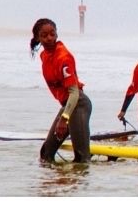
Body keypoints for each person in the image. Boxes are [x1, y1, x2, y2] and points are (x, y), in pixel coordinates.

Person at [31, 18, 92, 163]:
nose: (49, 38)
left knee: (81, 159)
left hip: (78, 105)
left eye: (52, 34)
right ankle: (56, 183)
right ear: (38, 38)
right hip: (68, 107)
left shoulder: (64, 58)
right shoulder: (44, 55)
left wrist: (64, 119)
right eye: (44, 35)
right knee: (46, 154)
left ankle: (80, 185)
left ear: (57, 34)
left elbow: (74, 93)